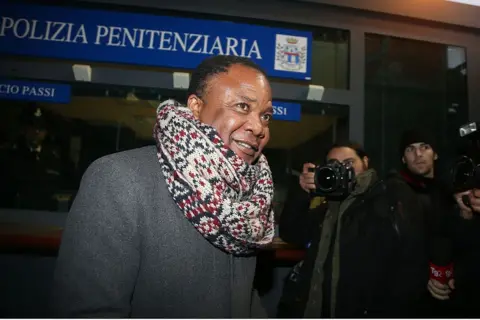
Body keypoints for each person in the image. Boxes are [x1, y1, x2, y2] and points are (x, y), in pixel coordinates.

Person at [50, 55, 275, 318]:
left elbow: (244, 297)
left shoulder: (250, 199)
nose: (259, 127)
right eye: (242, 106)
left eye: (266, 115)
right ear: (195, 106)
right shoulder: (119, 178)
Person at [277, 141, 426, 318]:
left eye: (348, 163)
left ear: (365, 161)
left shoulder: (387, 198)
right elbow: (291, 233)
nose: (342, 170)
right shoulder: (328, 208)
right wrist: (301, 192)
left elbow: (411, 261)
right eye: (335, 165)